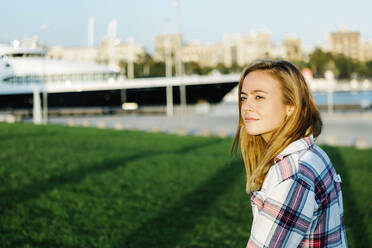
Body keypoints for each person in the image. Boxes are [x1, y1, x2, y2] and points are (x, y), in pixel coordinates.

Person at [231, 60, 347, 247]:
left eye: (259, 97)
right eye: (244, 97)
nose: (246, 107)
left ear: (290, 105)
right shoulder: (312, 154)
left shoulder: (292, 176)